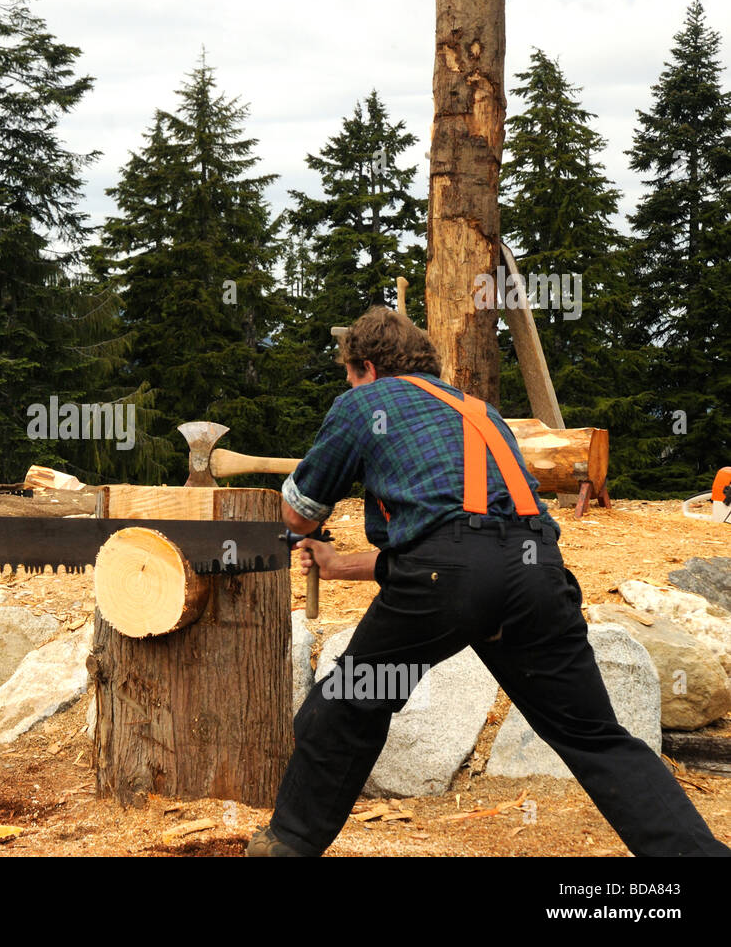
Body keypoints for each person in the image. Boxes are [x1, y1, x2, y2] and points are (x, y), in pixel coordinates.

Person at [248, 306, 729, 857]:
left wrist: (303, 508)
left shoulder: (363, 402)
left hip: (450, 579)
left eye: (350, 374)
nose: (351, 385)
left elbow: (300, 517)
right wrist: (340, 564)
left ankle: (285, 846)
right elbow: (473, 547)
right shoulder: (479, 412)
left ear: (366, 367)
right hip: (538, 576)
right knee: (595, 737)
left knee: (344, 706)